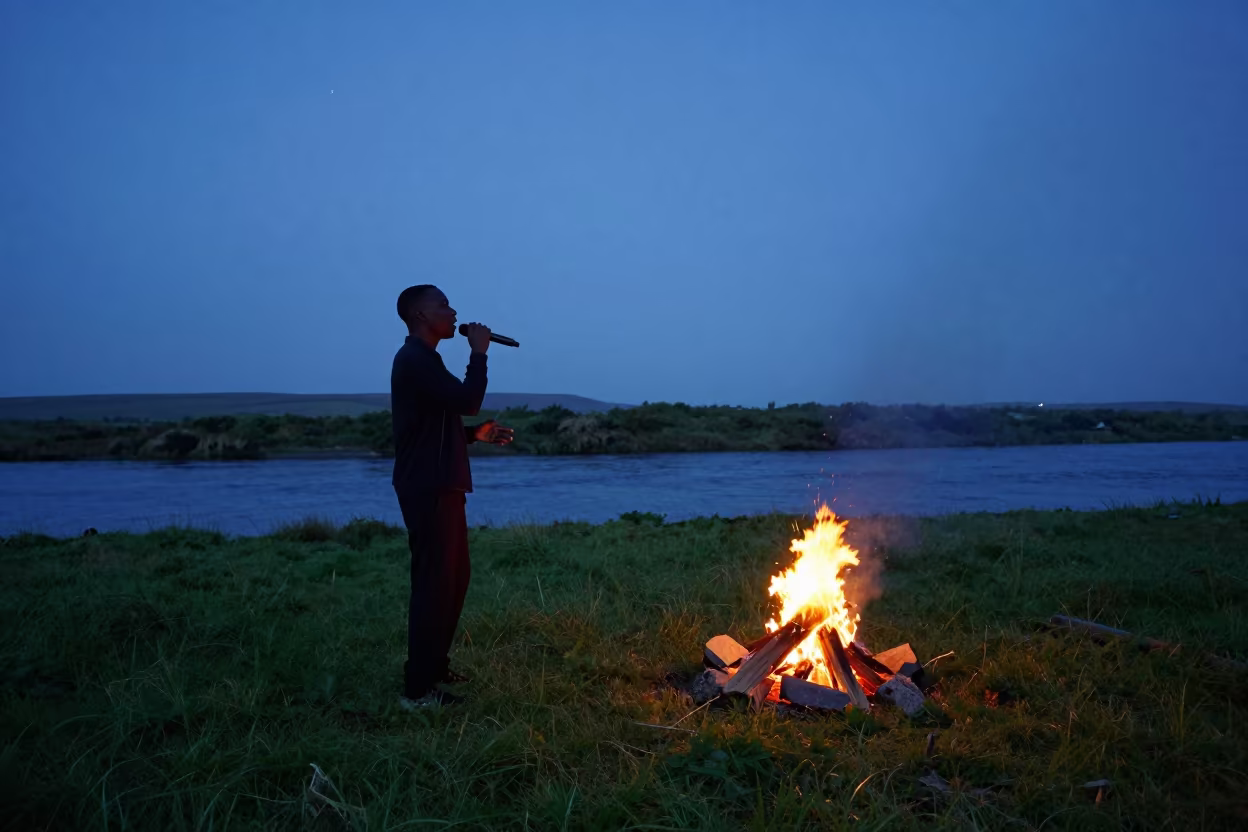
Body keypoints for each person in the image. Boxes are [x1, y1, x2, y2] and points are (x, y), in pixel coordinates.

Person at [391, 284, 514, 707]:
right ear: (421, 316)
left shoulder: (426, 361)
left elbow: (432, 427)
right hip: (428, 485)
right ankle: (418, 691)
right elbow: (469, 399)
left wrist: (472, 437)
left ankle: (433, 668)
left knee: (453, 579)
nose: (453, 310)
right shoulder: (414, 359)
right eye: (442, 305)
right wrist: (479, 352)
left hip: (439, 481)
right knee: (433, 584)